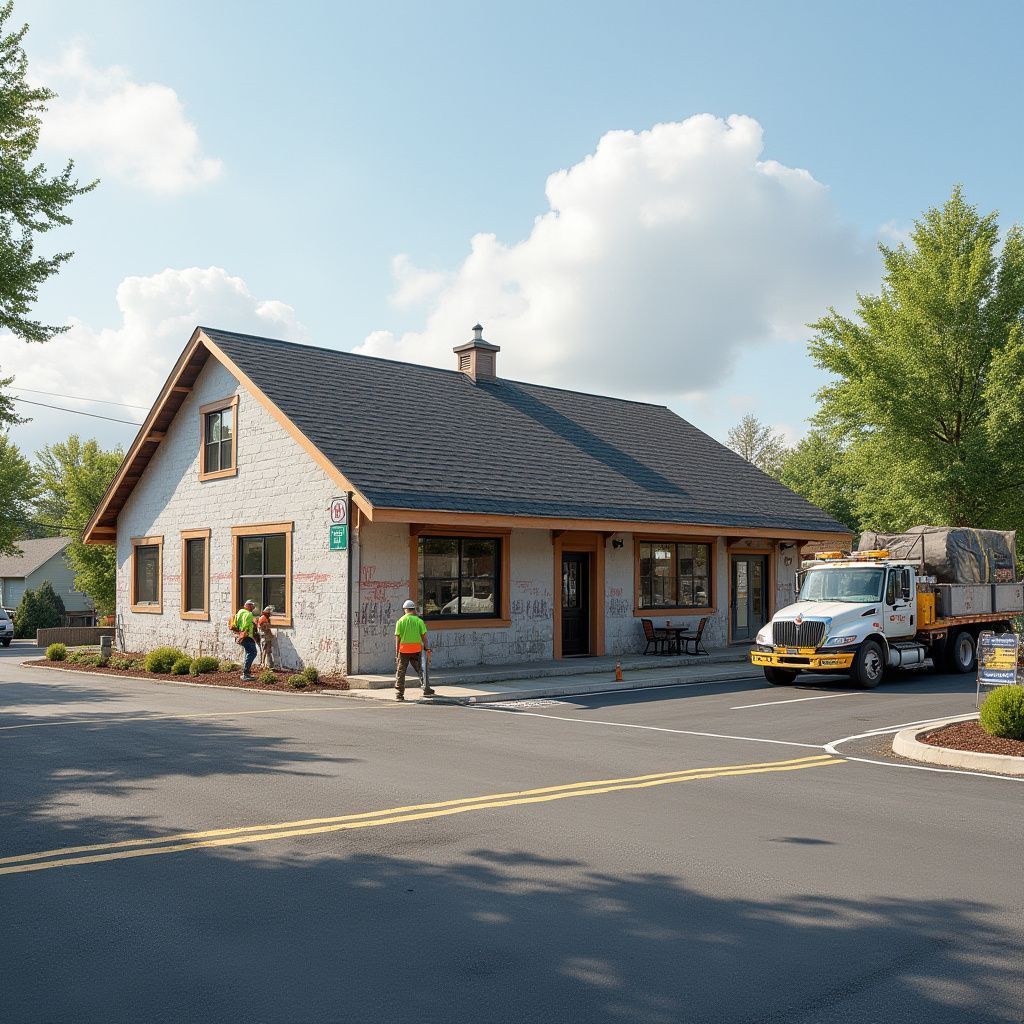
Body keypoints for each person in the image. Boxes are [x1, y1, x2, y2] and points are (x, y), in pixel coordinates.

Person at [394, 599, 435, 701]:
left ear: (405, 609)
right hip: (416, 650)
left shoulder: (400, 621)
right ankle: (426, 688)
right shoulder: (419, 621)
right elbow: (424, 637)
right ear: (414, 609)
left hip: (404, 651)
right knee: (421, 670)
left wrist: (397, 653)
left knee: (401, 672)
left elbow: (398, 639)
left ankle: (399, 694)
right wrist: (427, 648)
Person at [233, 599, 258, 681]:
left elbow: (237, 623)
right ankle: (245, 674)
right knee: (253, 653)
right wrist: (246, 632)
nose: (252, 608)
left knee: (248, 653)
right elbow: (245, 625)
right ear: (247, 606)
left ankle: (246, 673)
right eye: (251, 606)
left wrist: (241, 633)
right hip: (247, 636)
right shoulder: (249, 614)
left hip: (240, 635)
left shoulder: (240, 612)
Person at [257, 605, 275, 669]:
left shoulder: (266, 618)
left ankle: (269, 664)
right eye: (269, 613)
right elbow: (261, 627)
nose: (270, 614)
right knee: (264, 649)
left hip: (268, 636)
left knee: (269, 650)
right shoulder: (262, 618)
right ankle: (262, 664)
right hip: (264, 636)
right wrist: (267, 627)